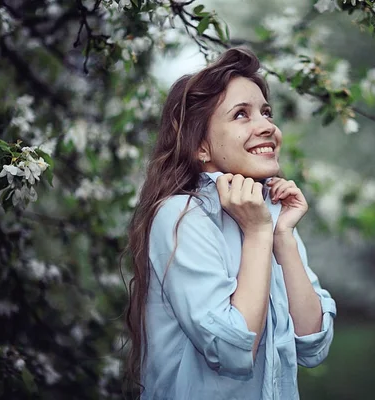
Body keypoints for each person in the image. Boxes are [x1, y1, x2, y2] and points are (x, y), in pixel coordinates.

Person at [124, 47, 336, 400]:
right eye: (242, 114)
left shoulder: (269, 214)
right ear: (201, 147)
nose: (267, 126)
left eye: (266, 113)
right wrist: (256, 234)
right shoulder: (181, 216)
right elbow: (233, 352)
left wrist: (282, 236)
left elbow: (313, 345)